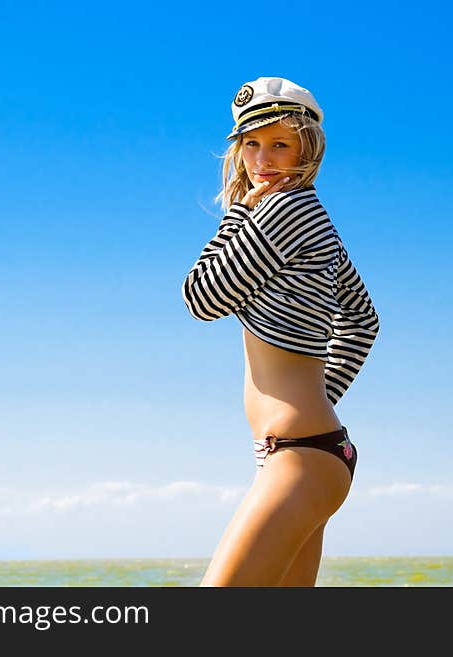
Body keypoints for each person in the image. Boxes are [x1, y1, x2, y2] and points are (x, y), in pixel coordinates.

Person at [181, 77, 380, 586]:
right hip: (308, 451)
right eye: (251, 144)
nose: (262, 159)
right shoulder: (314, 217)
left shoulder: (284, 210)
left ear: (306, 149)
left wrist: (236, 216)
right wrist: (317, 398)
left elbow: (202, 298)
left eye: (279, 144)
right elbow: (362, 321)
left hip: (301, 455)